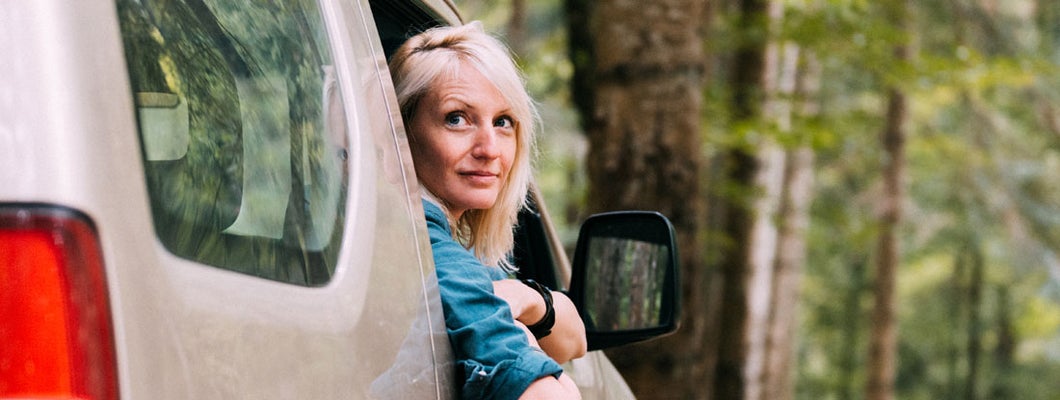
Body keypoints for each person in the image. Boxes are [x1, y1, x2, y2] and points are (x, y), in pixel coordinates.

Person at [388, 22, 586, 399]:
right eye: (457, 118)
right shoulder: (434, 259)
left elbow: (574, 338)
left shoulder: (450, 248)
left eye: (503, 122)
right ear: (401, 132)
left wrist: (526, 298)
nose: (490, 148)